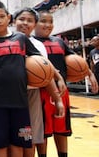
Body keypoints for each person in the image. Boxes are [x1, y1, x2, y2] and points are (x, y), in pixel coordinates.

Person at [0, 0, 42, 157]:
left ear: (8, 17)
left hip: (20, 101)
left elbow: (41, 62)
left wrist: (58, 78)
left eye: (1, 16)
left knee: (18, 145)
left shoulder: (20, 38)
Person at [34, 10, 98, 157]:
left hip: (61, 91)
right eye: (43, 21)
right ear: (35, 23)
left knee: (62, 128)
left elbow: (76, 60)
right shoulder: (32, 43)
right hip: (41, 91)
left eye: (50, 22)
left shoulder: (59, 42)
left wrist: (89, 73)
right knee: (43, 131)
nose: (48, 25)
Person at [13, 7, 65, 157]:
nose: (25, 23)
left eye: (30, 20)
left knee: (30, 137)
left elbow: (45, 75)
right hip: (8, 94)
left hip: (31, 93)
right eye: (22, 19)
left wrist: (57, 99)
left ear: (35, 24)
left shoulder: (38, 45)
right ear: (13, 21)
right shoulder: (6, 41)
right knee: (11, 139)